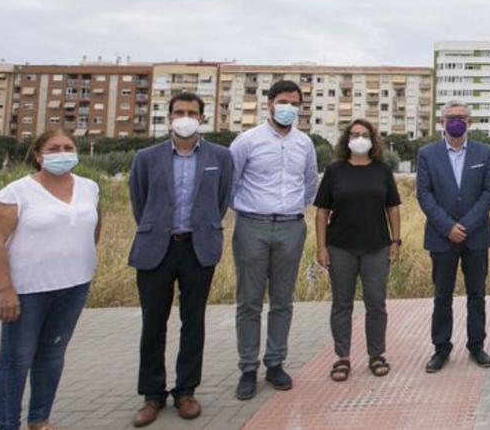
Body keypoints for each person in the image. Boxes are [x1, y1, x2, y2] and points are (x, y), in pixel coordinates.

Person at [127, 92, 235, 427]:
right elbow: (139, 200)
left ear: (202, 118)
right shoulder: (147, 157)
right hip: (157, 248)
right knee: (153, 322)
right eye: (179, 112)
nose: (184, 117)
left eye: (191, 112)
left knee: (194, 321)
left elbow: (221, 200)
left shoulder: (220, 156)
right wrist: (157, 228)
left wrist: (202, 231)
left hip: (197, 248)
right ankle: (152, 395)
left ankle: (186, 391)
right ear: (169, 116)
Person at [0, 128, 101, 430]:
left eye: (67, 147)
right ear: (38, 155)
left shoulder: (89, 187)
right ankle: (8, 424)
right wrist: (4, 289)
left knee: (51, 356)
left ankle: (40, 420)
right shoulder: (16, 193)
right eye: (53, 148)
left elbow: (93, 228)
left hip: (73, 285)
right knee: (15, 361)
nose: (62, 153)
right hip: (27, 290)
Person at [229, 80, 318, 400]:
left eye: (295, 103)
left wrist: (291, 210)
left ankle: (276, 363)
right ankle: (248, 368)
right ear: (269, 103)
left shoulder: (304, 143)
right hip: (252, 225)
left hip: (290, 228)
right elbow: (230, 182)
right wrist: (252, 211)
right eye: (283, 101)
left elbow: (310, 184)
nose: (289, 107)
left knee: (282, 300)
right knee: (249, 301)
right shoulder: (246, 141)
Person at [313, 119, 401, 382]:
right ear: (346, 140)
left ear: (373, 139)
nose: (359, 138)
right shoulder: (335, 170)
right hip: (340, 247)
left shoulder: (382, 170)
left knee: (376, 303)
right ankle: (342, 357)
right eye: (354, 134)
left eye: (364, 134)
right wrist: (321, 247)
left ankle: (377, 355)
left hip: (376, 247)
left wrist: (396, 242)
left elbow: (393, 208)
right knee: (342, 304)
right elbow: (321, 212)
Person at [417, 101, 490, 373]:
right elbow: (424, 195)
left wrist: (465, 225)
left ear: (470, 122)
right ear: (442, 122)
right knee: (442, 295)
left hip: (476, 237)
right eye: (451, 117)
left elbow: (489, 193)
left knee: (477, 293)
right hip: (442, 237)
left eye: (461, 117)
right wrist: (447, 227)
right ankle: (441, 347)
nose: (456, 122)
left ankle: (476, 345)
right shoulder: (427, 154)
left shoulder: (485, 152)